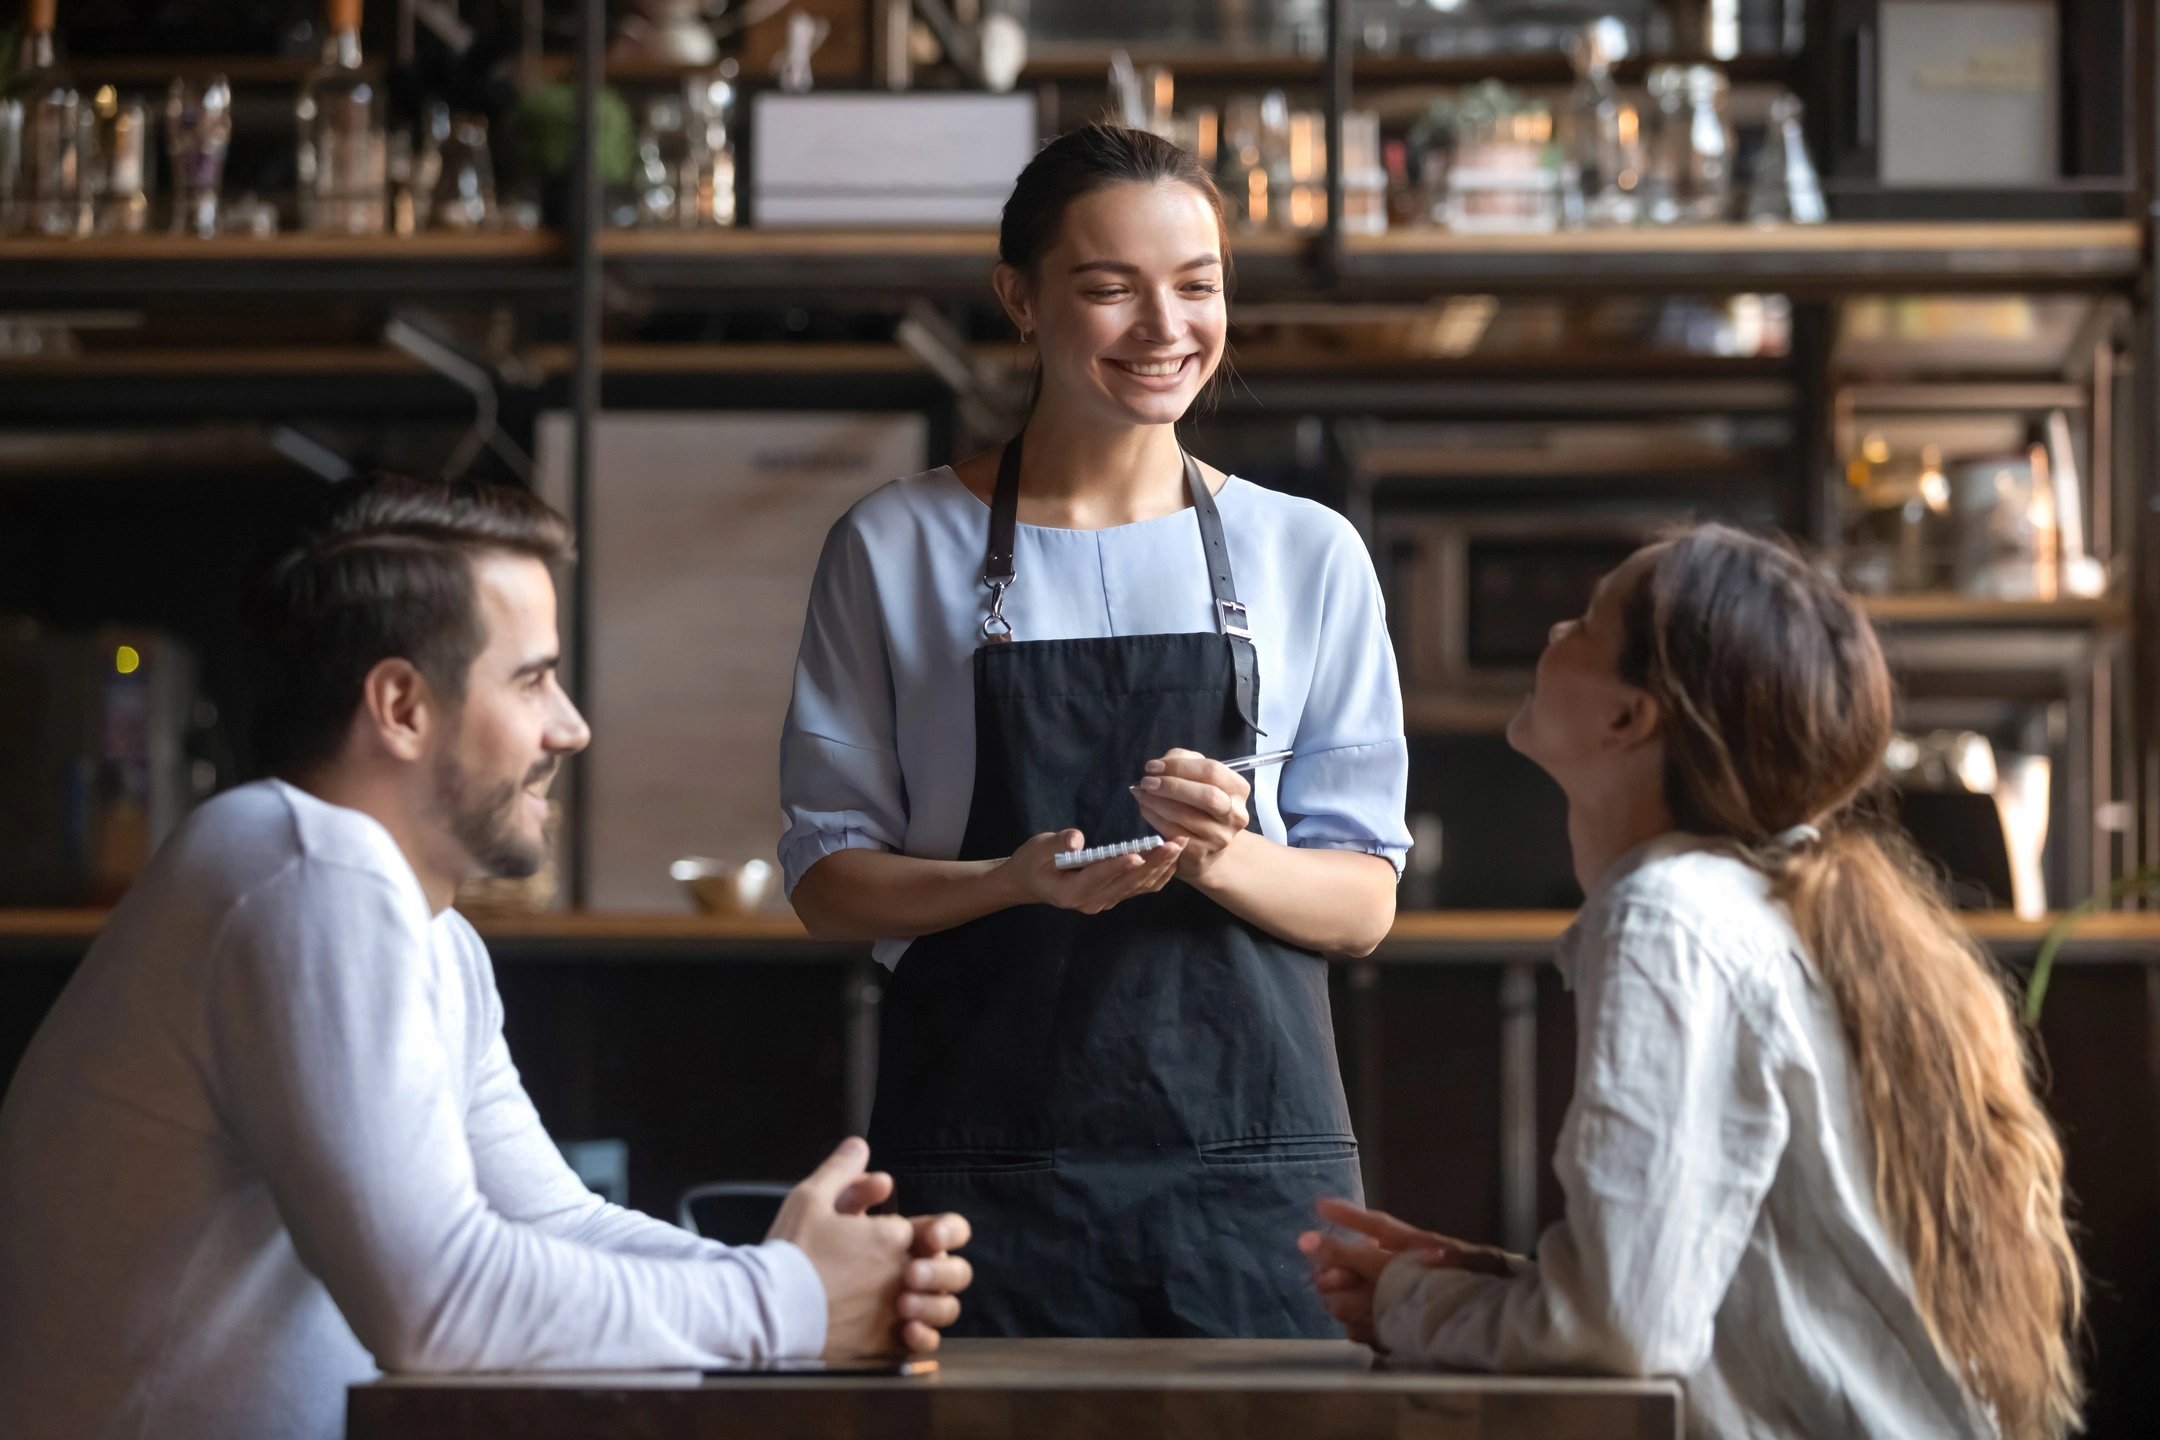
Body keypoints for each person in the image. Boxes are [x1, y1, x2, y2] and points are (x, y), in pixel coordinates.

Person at [0, 477, 972, 1440]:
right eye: (531, 679)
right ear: (401, 706)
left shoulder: (427, 933)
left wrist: (816, 1281)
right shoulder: (304, 868)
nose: (570, 726)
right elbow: (438, 1301)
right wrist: (790, 1303)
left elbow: (554, 1220)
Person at [781, 121, 1411, 1339]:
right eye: (1110, 289)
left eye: (1198, 287)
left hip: (1251, 1176)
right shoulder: (894, 545)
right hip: (980, 1172)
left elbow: (1365, 899)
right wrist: (1008, 882)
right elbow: (827, 879)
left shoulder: (1308, 553)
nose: (1165, 329)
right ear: (1020, 297)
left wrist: (1228, 856)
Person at [1299, 525, 2083, 1439]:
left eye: (1587, 624)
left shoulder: (1666, 918)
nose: (1555, 632)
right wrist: (1498, 1280)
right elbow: (1716, 1297)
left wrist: (1408, 1306)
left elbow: (1620, 1335)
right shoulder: (1748, 903)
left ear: (1630, 719)